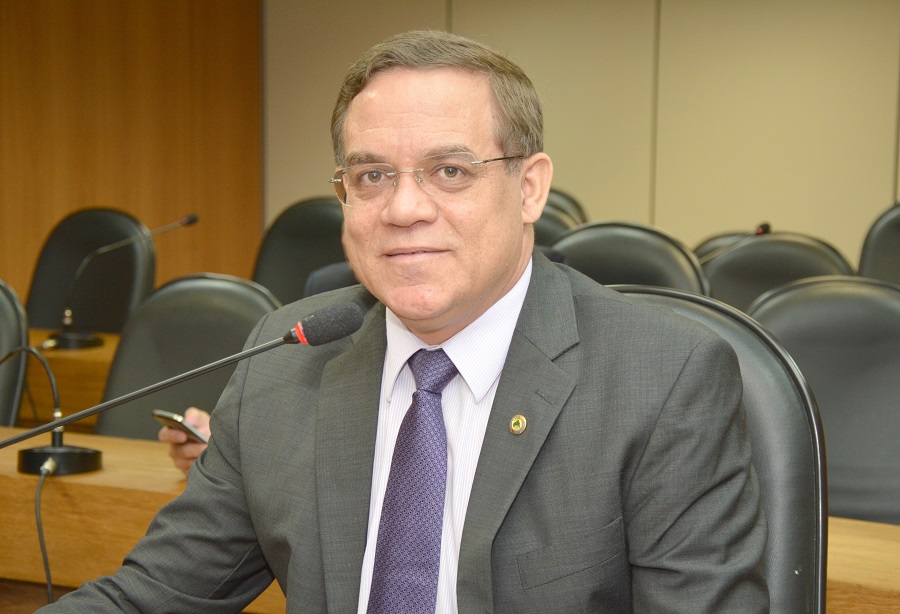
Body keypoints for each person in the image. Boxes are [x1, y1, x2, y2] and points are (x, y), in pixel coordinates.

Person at [42, 30, 767, 612]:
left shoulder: (662, 378)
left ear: (529, 188)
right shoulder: (286, 359)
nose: (403, 208)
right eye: (371, 176)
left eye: (450, 171)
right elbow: (153, 596)